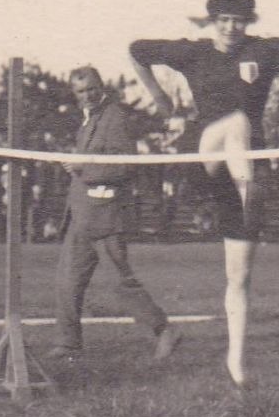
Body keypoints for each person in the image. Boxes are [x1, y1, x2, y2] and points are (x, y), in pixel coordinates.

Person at [130, 0, 279, 387]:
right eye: (224, 20)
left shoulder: (263, 53)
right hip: (206, 159)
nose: (231, 28)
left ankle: (236, 364)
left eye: (239, 20)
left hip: (246, 172)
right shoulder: (192, 53)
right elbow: (137, 50)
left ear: (249, 22)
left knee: (239, 276)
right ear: (212, 21)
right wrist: (161, 100)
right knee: (237, 122)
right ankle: (232, 187)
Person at [50, 66, 181, 363]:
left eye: (92, 89)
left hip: (106, 217)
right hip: (82, 215)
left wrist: (83, 168)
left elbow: (124, 165)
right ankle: (67, 343)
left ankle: (163, 330)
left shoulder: (115, 117)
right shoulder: (88, 120)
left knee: (120, 284)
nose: (87, 95)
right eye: (81, 91)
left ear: (102, 85)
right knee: (66, 280)